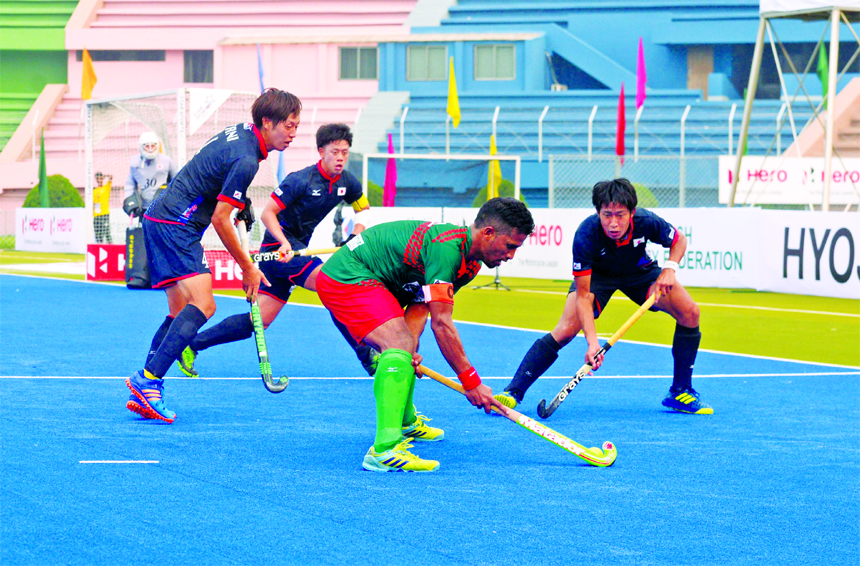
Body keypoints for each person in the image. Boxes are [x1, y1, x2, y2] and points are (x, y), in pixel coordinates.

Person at [316, 197, 535, 472]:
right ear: (488, 233)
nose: (510, 256)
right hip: (348, 275)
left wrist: (409, 349)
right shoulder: (448, 251)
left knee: (403, 346)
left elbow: (420, 303)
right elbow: (442, 324)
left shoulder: (470, 265)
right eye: (510, 246)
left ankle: (405, 422)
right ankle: (384, 449)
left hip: (377, 283)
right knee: (398, 344)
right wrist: (471, 382)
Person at [125, 88, 302, 423]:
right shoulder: (247, 159)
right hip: (178, 225)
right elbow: (221, 218)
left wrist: (241, 201)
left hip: (160, 218)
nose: (293, 133)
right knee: (205, 305)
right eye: (289, 126)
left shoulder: (242, 134)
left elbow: (213, 172)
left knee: (180, 311)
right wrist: (248, 268)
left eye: (296, 126)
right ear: (267, 122)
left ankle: (148, 383)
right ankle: (148, 381)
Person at [176, 123, 379, 377]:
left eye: (345, 152)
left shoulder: (347, 182)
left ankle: (191, 344)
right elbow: (267, 213)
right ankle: (368, 357)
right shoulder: (300, 179)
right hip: (279, 250)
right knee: (334, 286)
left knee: (258, 321)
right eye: (335, 152)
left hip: (296, 253)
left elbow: (364, 209)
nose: (340, 158)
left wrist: (355, 234)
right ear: (320, 151)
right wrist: (283, 241)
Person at [494, 178, 712, 415]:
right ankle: (513, 392)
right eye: (607, 215)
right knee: (566, 329)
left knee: (690, 313)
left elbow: (679, 239)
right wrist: (592, 343)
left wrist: (670, 268)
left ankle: (681, 392)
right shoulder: (586, 234)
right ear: (598, 212)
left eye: (620, 215)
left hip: (640, 273)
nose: (614, 223)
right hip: (597, 278)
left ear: (632, 213)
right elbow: (584, 296)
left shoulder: (646, 221)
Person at [124, 131, 179, 216]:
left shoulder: (167, 161)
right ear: (141, 147)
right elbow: (130, 184)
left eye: (152, 146)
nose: (150, 149)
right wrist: (129, 200)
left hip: (163, 207)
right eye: (147, 146)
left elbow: (177, 180)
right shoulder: (135, 163)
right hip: (143, 208)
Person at [93, 172, 113, 243]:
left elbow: (111, 177)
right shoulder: (94, 191)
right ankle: (99, 248)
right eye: (97, 179)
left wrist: (105, 176)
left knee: (107, 233)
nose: (99, 180)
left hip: (105, 214)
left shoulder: (106, 187)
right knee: (98, 235)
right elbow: (93, 203)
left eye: (100, 178)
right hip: (96, 215)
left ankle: (111, 248)